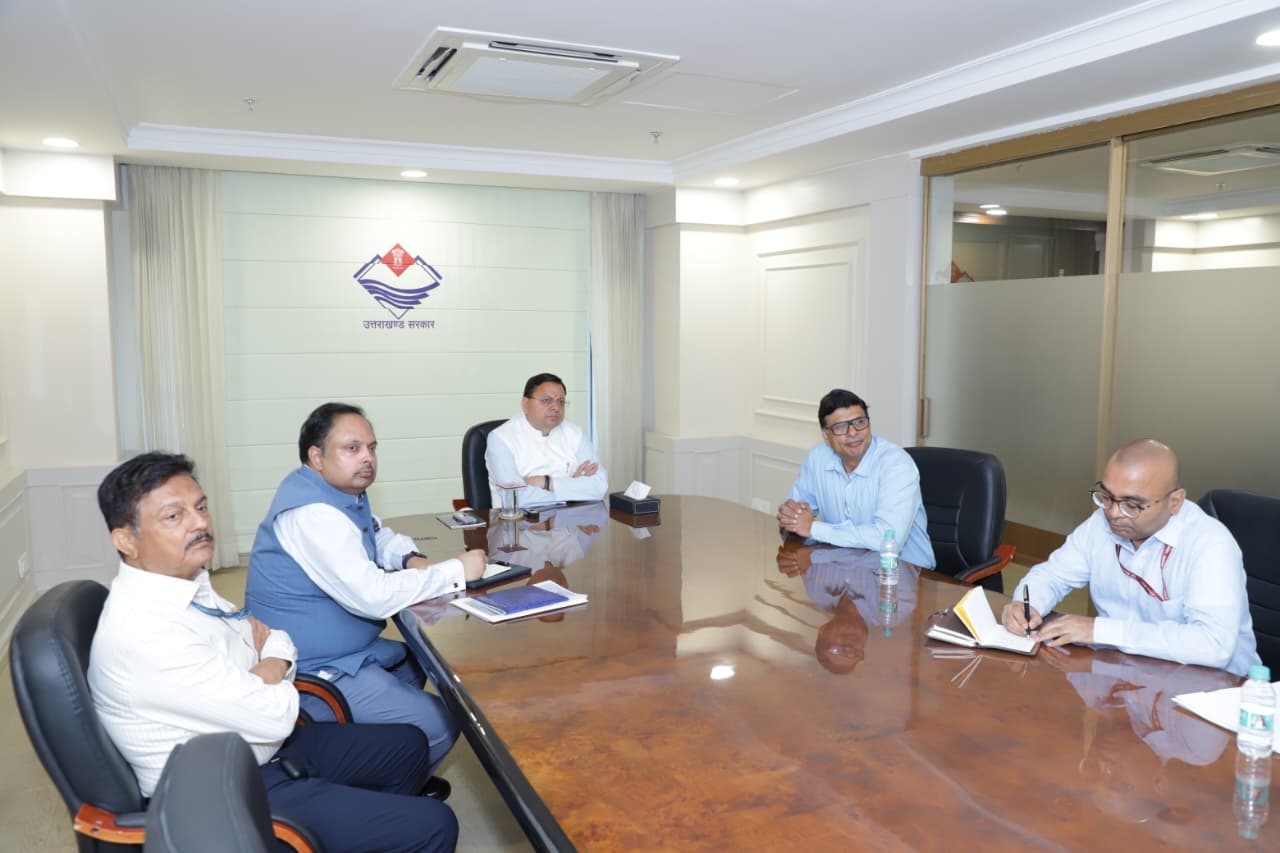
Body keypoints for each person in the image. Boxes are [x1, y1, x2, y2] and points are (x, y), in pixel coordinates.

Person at [88, 452, 457, 853]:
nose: (199, 523)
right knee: (434, 824)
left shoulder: (185, 584)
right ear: (125, 540)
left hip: (252, 750)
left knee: (408, 745)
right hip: (220, 795)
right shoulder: (146, 631)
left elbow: (275, 637)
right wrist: (270, 665)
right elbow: (274, 715)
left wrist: (268, 666)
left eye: (201, 507)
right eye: (174, 516)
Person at [245, 402, 486, 781]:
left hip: (347, 651)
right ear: (317, 456)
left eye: (371, 448)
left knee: (421, 661)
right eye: (352, 448)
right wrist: (455, 571)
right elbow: (373, 596)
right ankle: (392, 798)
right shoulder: (313, 514)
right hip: (312, 668)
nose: (367, 458)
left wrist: (409, 559)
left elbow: (373, 532)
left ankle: (383, 762)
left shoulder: (333, 489)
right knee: (441, 721)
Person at [1001, 438, 1260, 676]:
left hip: (1210, 688)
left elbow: (1213, 645)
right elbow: (1052, 575)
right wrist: (1026, 605)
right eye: (1107, 497)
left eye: (1132, 505)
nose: (1114, 513)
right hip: (1123, 676)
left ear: (1175, 502)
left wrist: (1099, 630)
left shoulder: (1210, 544)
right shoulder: (1100, 524)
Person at [776, 388, 934, 568]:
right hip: (845, 565)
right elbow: (796, 513)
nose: (852, 432)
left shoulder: (896, 464)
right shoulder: (818, 458)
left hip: (905, 571)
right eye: (840, 427)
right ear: (826, 435)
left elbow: (888, 540)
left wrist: (812, 528)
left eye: (859, 422)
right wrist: (791, 514)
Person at [484, 372, 608, 507]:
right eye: (546, 400)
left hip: (573, 517)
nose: (556, 407)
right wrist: (574, 490)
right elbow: (515, 498)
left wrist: (545, 482)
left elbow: (600, 487)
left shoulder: (575, 434)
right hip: (521, 519)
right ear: (525, 404)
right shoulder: (501, 439)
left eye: (561, 401)